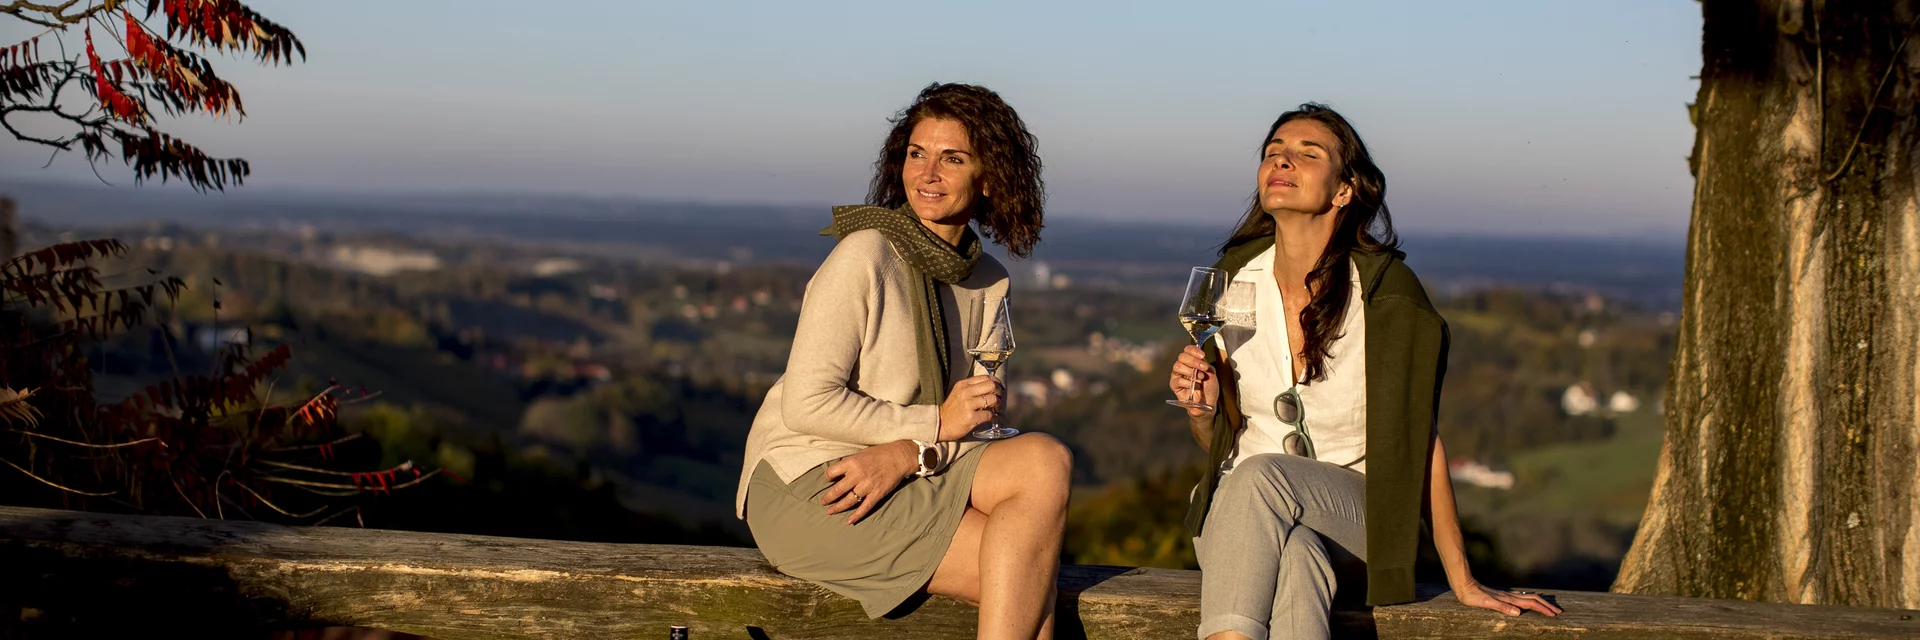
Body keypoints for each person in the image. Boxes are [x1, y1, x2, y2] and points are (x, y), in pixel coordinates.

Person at [1168, 103, 1563, 640]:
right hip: (1242, 519)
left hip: (1358, 516)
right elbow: (1217, 439)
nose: (1282, 161)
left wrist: (1462, 579)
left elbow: (1419, 438)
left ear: (1344, 190)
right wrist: (1201, 411)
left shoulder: (1386, 295)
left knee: (1259, 477)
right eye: (1273, 153)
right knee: (1297, 558)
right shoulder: (1231, 279)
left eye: (1307, 155)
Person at [736, 82, 1072, 640]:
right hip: (819, 479)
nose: (928, 174)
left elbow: (977, 424)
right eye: (917, 154)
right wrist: (927, 429)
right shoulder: (865, 254)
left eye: (952, 158)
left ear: (989, 178)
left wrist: (909, 454)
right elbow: (807, 402)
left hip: (910, 469)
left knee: (1045, 461)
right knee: (1026, 576)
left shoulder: (988, 281)